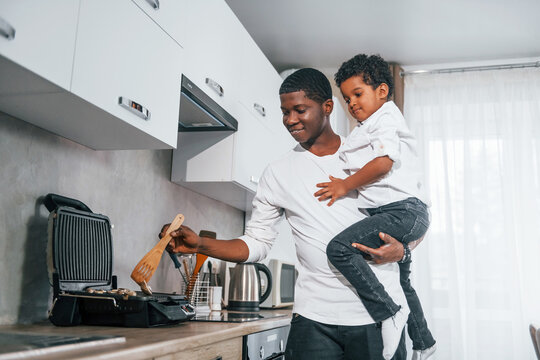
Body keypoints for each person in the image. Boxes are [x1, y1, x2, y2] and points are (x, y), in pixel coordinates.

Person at [163, 68, 413, 359]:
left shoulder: (367, 156)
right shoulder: (277, 173)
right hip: (314, 319)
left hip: (376, 316)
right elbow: (257, 243)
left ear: (327, 107)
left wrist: (403, 250)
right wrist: (200, 246)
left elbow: (411, 216)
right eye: (284, 112)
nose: (290, 120)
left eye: (300, 110)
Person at [314, 54, 436, 360]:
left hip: (401, 211)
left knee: (339, 249)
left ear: (381, 91)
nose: (352, 103)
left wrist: (344, 185)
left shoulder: (385, 119)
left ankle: (389, 313)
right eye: (346, 98)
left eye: (358, 94)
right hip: (404, 212)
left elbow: (383, 163)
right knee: (401, 279)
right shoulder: (367, 127)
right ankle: (423, 340)